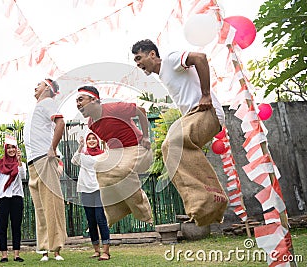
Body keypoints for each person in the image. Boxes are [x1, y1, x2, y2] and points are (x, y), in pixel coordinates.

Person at [131, 39, 228, 226]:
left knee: (172, 143)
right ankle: (205, 203)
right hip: (192, 115)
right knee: (170, 150)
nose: (138, 64)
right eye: (135, 62)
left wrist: (205, 94)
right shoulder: (163, 75)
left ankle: (209, 197)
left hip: (206, 111)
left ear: (152, 54)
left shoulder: (169, 60)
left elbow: (200, 58)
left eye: (139, 58)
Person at [76, 85, 153, 227]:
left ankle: (143, 211)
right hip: (116, 151)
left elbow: (141, 111)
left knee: (121, 169)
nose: (78, 104)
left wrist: (146, 137)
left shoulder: (114, 108)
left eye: (81, 99)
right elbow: (109, 136)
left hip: (135, 146)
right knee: (100, 167)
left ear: (93, 99)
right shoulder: (92, 123)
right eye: (76, 101)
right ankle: (117, 211)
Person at [23, 78, 67, 262]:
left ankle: (56, 249)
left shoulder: (48, 102)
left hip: (44, 158)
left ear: (48, 88)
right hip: (33, 162)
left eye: (39, 84)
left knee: (51, 205)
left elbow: (61, 123)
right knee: (40, 207)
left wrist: (52, 148)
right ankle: (44, 249)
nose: (35, 86)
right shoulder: (36, 108)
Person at [71, 132, 111, 261]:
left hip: (99, 189)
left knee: (100, 219)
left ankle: (106, 251)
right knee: (91, 221)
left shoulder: (102, 154)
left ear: (98, 141)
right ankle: (96, 250)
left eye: (94, 139)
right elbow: (73, 160)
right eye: (89, 139)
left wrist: (106, 145)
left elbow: (110, 160)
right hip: (85, 190)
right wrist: (80, 146)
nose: (92, 141)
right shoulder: (83, 155)